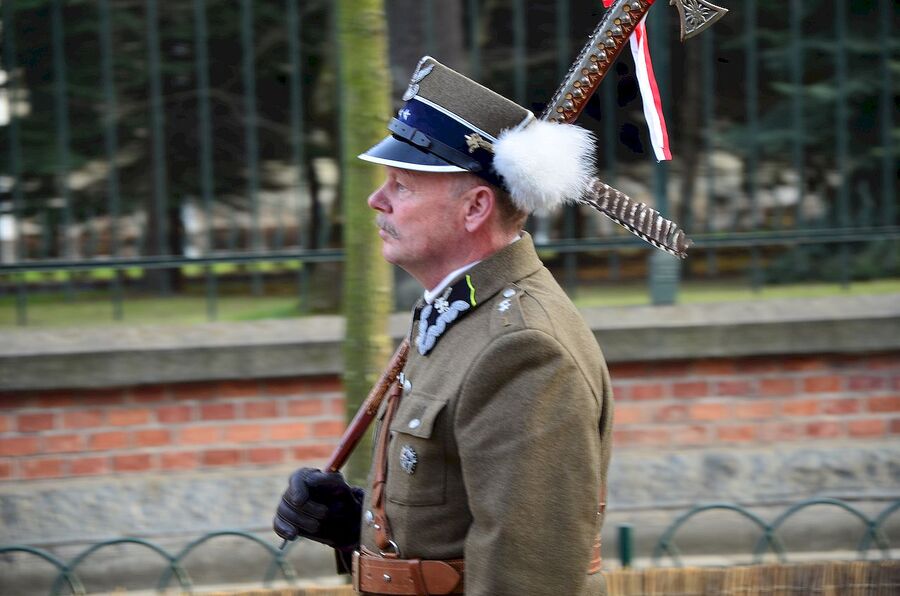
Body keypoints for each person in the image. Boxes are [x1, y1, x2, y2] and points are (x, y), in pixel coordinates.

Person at [274, 56, 614, 596]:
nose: (376, 199)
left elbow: (529, 574)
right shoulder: (460, 314)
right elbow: (455, 510)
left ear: (475, 207)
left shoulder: (523, 346)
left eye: (402, 186)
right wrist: (358, 522)